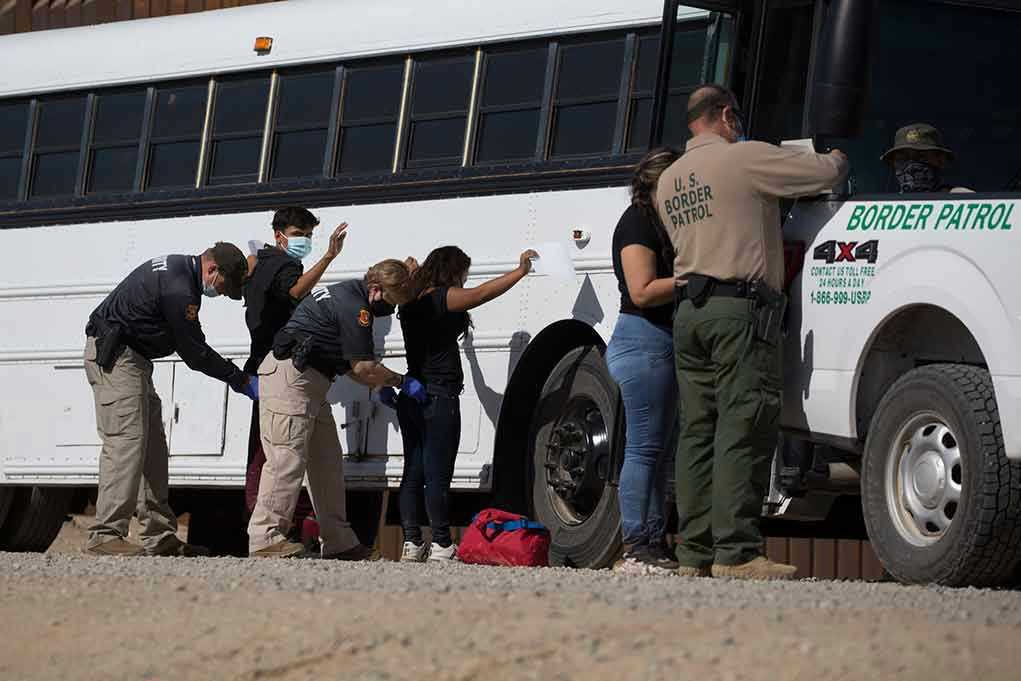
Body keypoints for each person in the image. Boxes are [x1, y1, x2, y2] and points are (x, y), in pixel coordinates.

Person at [656, 84, 848, 580]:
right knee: (744, 425)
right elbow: (822, 172)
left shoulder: (669, 181)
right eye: (735, 118)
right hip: (738, 312)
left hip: (689, 314)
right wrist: (839, 155)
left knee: (698, 433)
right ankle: (737, 552)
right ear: (724, 115)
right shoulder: (742, 158)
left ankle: (693, 552)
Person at [83, 243, 257, 557]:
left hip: (132, 360)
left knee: (152, 448)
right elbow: (194, 352)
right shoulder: (180, 289)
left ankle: (159, 536)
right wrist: (239, 379)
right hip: (117, 357)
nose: (221, 292)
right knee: (126, 442)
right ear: (212, 269)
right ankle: (105, 535)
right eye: (223, 285)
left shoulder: (180, 269)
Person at [247, 259, 423, 559]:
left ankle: (339, 541)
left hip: (310, 383)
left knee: (327, 464)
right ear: (377, 290)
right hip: (291, 380)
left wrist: (380, 385)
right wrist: (401, 381)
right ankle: (266, 538)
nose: (389, 311)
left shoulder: (352, 293)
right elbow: (364, 367)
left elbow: (354, 366)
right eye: (391, 303)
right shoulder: (356, 307)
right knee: (285, 460)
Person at [393, 246, 537, 563]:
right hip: (438, 396)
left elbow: (405, 283)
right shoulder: (442, 298)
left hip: (411, 394)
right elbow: (483, 293)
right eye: (463, 273)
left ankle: (412, 542)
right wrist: (520, 271)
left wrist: (409, 272)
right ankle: (443, 544)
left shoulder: (408, 300)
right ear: (452, 271)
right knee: (438, 475)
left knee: (412, 473)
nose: (464, 280)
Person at [242, 207, 349, 546]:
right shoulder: (285, 264)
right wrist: (329, 257)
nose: (305, 240)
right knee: (284, 457)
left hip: (264, 364)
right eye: (300, 233)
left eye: (309, 234)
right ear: (279, 235)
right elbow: (295, 291)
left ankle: (311, 533)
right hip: (285, 368)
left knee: (271, 453)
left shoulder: (259, 264)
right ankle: (271, 535)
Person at [606, 147, 682, 574]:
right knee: (644, 448)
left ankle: (653, 540)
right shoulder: (637, 221)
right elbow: (641, 290)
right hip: (642, 341)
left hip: (659, 342)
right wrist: (692, 279)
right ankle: (636, 545)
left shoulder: (664, 221)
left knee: (658, 451)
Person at [881, 123, 973, 193]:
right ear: (893, 164)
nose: (911, 166)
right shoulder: (882, 209)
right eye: (903, 159)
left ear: (941, 161)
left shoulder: (964, 201)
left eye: (921, 156)